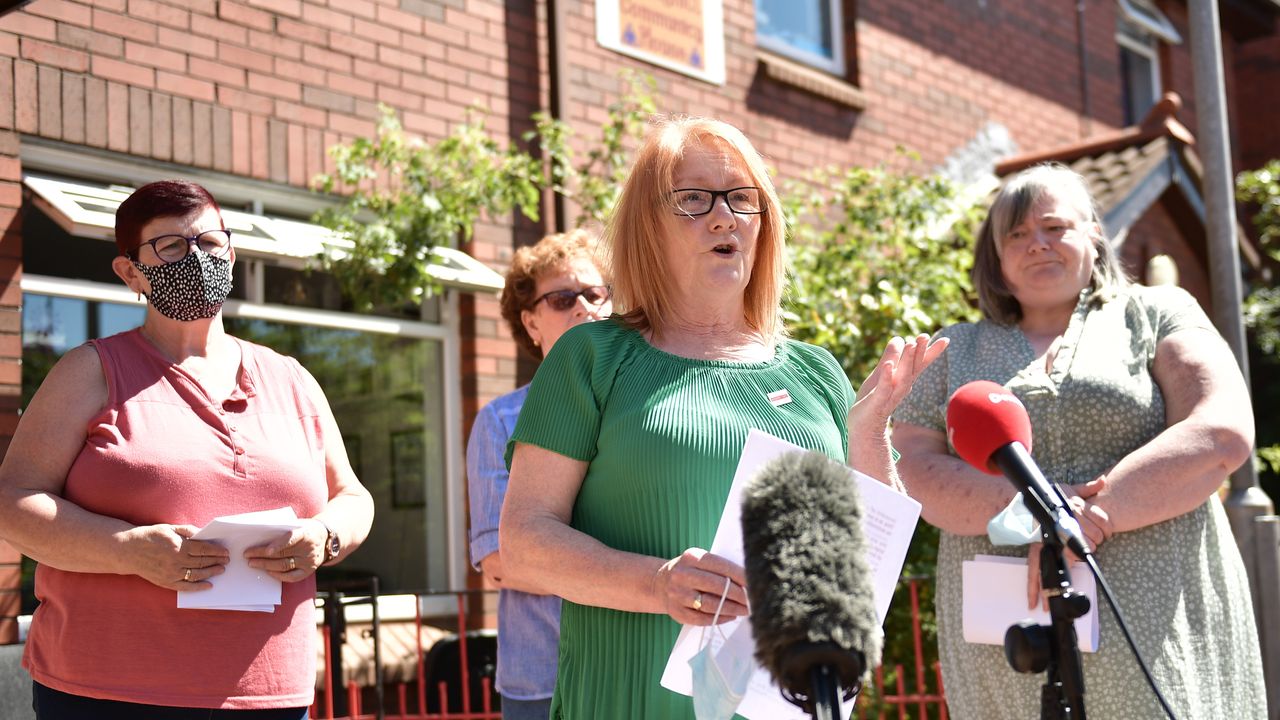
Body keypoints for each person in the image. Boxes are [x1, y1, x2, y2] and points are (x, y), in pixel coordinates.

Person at [497, 117, 946, 719]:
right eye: (692, 199)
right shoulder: (590, 359)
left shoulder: (816, 373)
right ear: (646, 228)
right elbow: (524, 543)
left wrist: (867, 432)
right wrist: (657, 584)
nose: (723, 216)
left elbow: (865, 568)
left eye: (742, 198)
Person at [893, 163, 1266, 719]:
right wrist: (1034, 513)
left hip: (1159, 622)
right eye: (1016, 234)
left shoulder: (1159, 312)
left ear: (1094, 233)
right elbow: (909, 464)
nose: (1036, 245)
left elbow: (1221, 431)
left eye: (1053, 227)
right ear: (995, 257)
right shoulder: (954, 349)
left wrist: (1088, 518)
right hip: (1011, 644)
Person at [0, 180, 375, 718]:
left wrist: (323, 536)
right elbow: (13, 501)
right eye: (171, 247)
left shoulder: (291, 378)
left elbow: (352, 497)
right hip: (108, 692)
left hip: (269, 693)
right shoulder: (88, 372)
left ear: (232, 251)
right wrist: (127, 550)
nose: (196, 258)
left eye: (210, 242)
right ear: (131, 273)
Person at [467, 229, 612, 720]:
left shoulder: (644, 415)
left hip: (638, 666)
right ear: (531, 321)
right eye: (562, 297)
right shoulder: (501, 421)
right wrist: (637, 577)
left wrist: (561, 558)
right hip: (542, 678)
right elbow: (502, 561)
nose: (583, 307)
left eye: (595, 293)